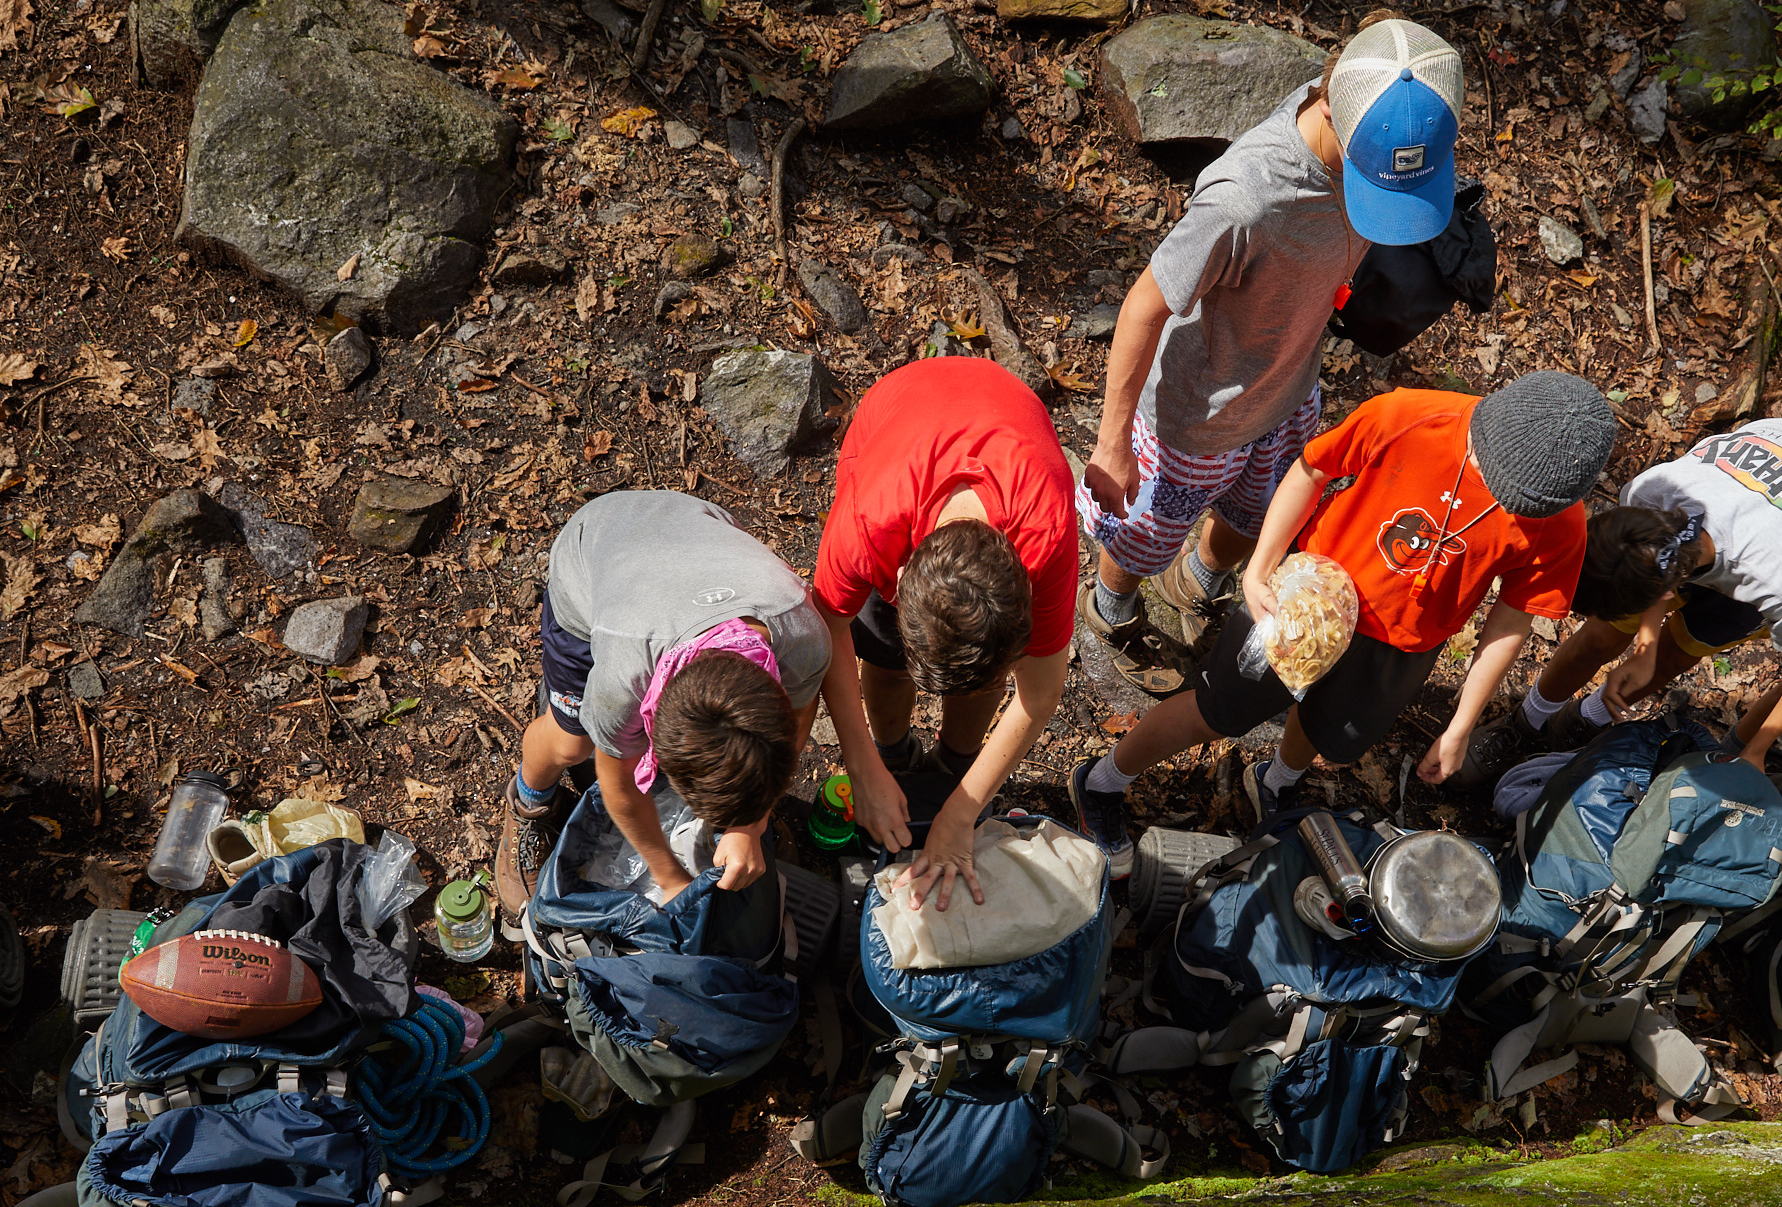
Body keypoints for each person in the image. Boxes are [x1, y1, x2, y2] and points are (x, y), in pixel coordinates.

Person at [1069, 371, 1616, 874]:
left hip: (1403, 644)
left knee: (1329, 726)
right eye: (1489, 473)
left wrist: (1461, 725)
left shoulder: (1556, 517)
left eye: (1514, 499)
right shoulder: (1410, 416)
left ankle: (1275, 780)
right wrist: (1259, 567)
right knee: (1217, 711)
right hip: (1309, 599)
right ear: (1491, 420)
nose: (1497, 495)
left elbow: (1511, 618)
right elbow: (1311, 469)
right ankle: (1103, 780)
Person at [1077, 15, 1465, 691]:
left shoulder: (1382, 117)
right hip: (1197, 415)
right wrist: (1113, 440)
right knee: (1145, 536)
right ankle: (1110, 608)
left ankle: (1197, 583)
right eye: (1377, 188)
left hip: (1288, 391)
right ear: (1337, 121)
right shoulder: (1249, 197)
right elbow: (1145, 304)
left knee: (1251, 516)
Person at [811, 356, 1079, 910]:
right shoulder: (868, 523)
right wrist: (862, 766)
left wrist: (961, 810)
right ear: (899, 576)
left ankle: (952, 765)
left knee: (973, 684)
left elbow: (1041, 691)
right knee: (883, 661)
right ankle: (893, 754)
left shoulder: (1045, 532)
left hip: (1009, 417)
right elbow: (829, 627)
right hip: (900, 410)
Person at [1461, 417, 1782, 784]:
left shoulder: (1778, 582)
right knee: (1601, 637)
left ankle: (1585, 720)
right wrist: (1643, 644)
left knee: (1677, 653)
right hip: (1765, 457)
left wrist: (1758, 747)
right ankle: (1527, 723)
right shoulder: (1652, 491)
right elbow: (1660, 572)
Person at [494, 489, 829, 919]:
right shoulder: (626, 677)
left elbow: (800, 715)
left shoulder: (800, 633)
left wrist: (750, 823)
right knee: (571, 743)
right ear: (652, 724)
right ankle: (527, 802)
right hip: (594, 548)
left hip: (697, 531)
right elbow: (618, 783)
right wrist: (669, 877)